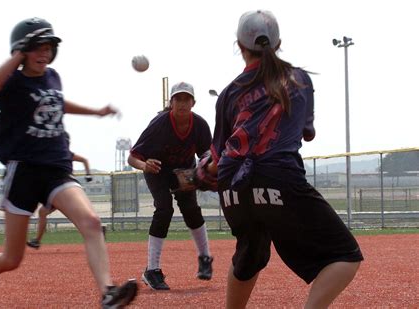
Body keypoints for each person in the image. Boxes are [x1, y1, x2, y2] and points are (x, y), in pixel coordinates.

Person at [0, 17, 137, 309]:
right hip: (24, 170)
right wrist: (17, 54)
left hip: (55, 168)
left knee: (91, 222)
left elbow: (57, 103)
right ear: (22, 50)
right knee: (12, 258)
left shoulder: (53, 76)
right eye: (37, 47)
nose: (44, 53)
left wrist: (96, 112)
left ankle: (107, 293)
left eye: (49, 47)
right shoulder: (12, 81)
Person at [196, 10, 364, 308]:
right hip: (279, 179)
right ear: (278, 43)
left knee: (251, 254)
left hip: (232, 187)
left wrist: (200, 174)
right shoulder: (297, 79)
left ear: (239, 45)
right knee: (345, 255)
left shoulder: (227, 94)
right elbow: (306, 132)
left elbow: (217, 157)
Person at [128, 82, 214, 290]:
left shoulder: (200, 125)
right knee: (164, 208)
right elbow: (132, 157)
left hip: (184, 171)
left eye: (186, 99)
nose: (182, 103)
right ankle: (152, 270)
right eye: (178, 99)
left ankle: (205, 257)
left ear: (193, 102)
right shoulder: (159, 124)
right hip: (157, 170)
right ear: (171, 102)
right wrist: (144, 165)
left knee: (191, 210)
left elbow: (207, 154)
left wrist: (206, 170)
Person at [27, 132, 93, 249]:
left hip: (63, 188)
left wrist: (88, 175)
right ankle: (94, 232)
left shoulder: (60, 153)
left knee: (72, 216)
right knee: (44, 212)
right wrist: (88, 174)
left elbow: (84, 160)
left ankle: (94, 233)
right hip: (64, 188)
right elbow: (84, 160)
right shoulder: (61, 153)